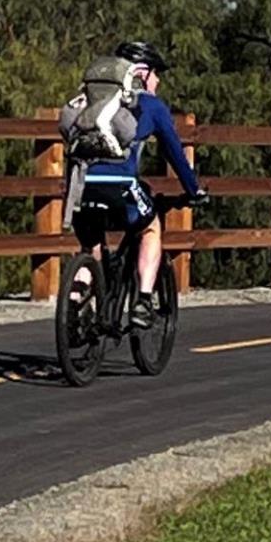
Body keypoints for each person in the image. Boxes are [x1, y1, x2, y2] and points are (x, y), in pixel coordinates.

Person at [68, 40, 205, 329]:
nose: (158, 81)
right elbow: (175, 153)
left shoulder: (89, 100)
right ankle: (143, 301)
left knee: (90, 246)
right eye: (156, 74)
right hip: (120, 185)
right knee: (151, 225)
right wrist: (194, 190)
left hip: (81, 188)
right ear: (143, 73)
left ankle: (73, 309)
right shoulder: (151, 106)